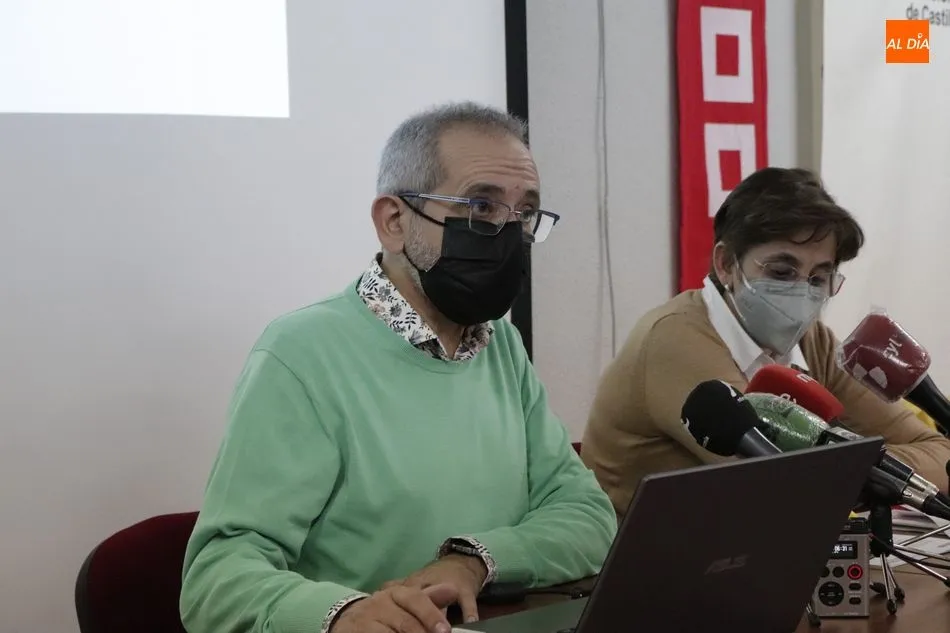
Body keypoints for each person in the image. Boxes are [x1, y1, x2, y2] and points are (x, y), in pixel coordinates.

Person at [179, 102, 617, 633]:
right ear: (393, 221)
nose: (507, 234)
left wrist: (473, 561)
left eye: (523, 214)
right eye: (480, 207)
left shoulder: (501, 346)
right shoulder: (302, 353)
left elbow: (587, 515)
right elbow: (216, 577)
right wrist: (342, 614)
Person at [581, 167, 950, 519]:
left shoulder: (813, 342)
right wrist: (872, 474)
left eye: (819, 278)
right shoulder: (675, 337)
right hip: (641, 569)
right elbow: (781, 483)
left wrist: (857, 473)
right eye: (781, 272)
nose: (802, 291)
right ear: (725, 264)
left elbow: (938, 452)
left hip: (752, 557)